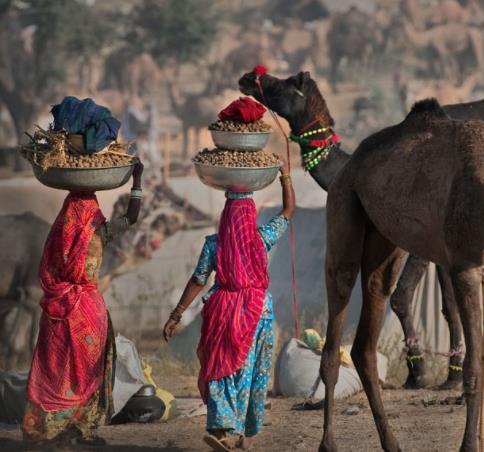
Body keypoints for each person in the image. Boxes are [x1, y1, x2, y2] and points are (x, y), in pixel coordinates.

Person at [163, 162, 295, 451]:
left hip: (224, 311)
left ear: (225, 216)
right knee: (251, 372)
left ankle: (222, 429)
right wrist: (285, 176)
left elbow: (198, 279)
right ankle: (242, 433)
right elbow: (287, 211)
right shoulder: (261, 239)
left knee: (222, 368)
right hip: (257, 310)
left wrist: (177, 314)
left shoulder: (215, 243)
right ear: (249, 218)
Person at [22, 160, 144, 447]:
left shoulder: (58, 236)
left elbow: (48, 268)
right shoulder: (99, 229)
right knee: (87, 373)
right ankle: (80, 429)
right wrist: (136, 180)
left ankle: (44, 430)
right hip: (88, 310)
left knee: (54, 372)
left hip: (57, 309)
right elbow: (131, 218)